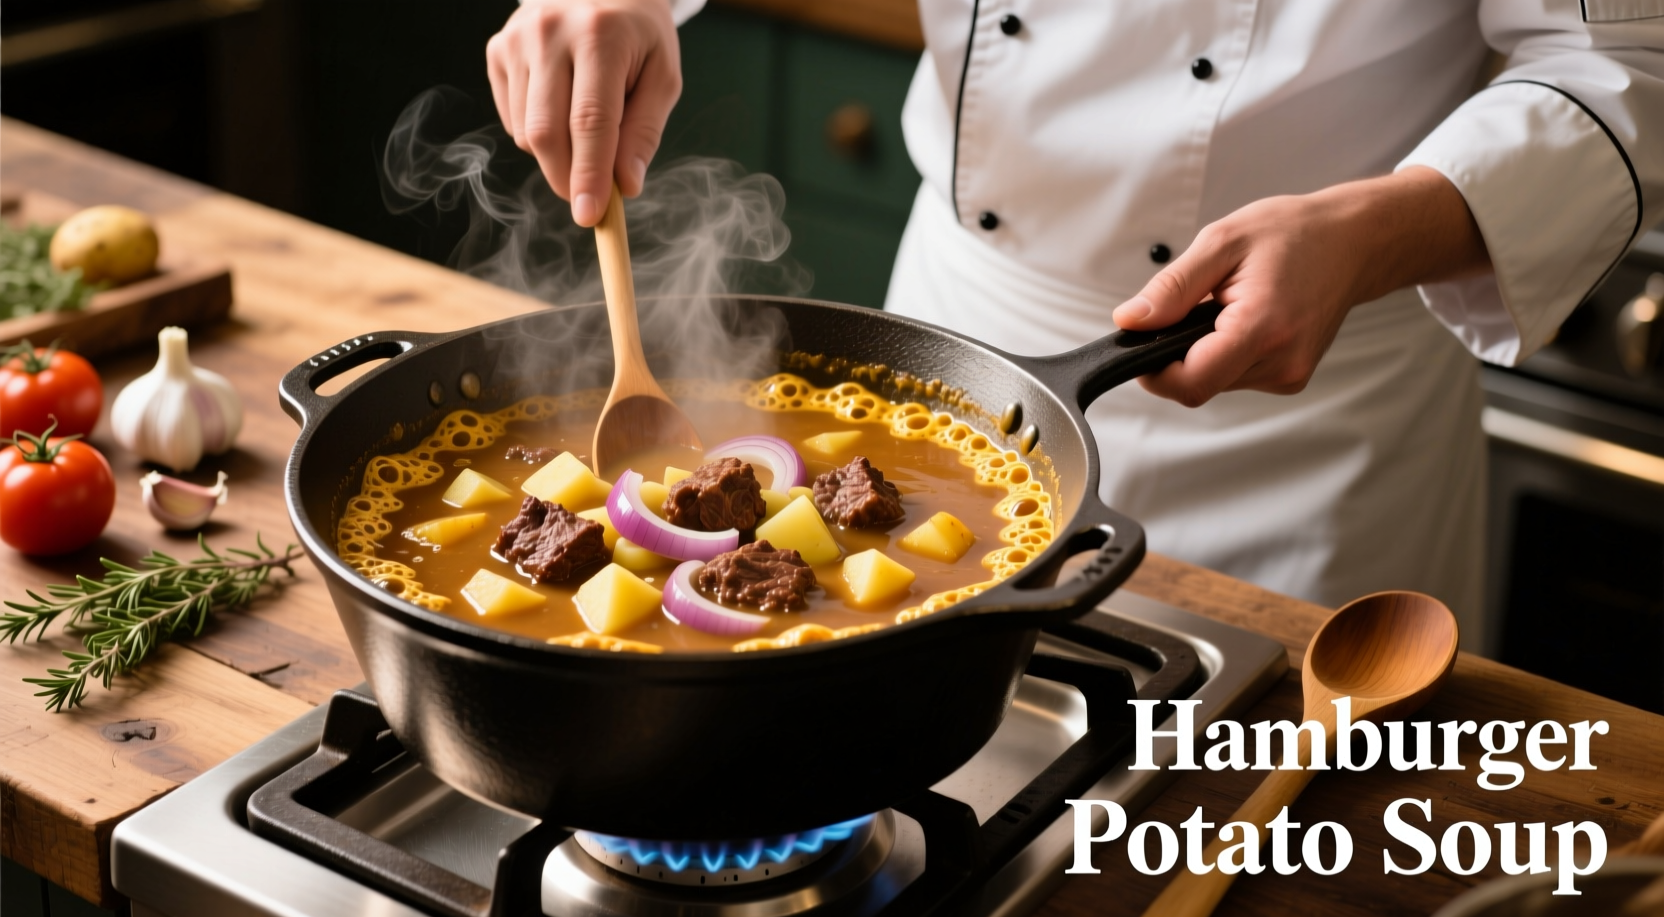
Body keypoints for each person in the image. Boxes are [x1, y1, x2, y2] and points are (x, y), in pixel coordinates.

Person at [486, 0, 1664, 622]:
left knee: (1275, 831)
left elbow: (1625, 64)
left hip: (1310, 409)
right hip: (957, 335)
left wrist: (1374, 232)